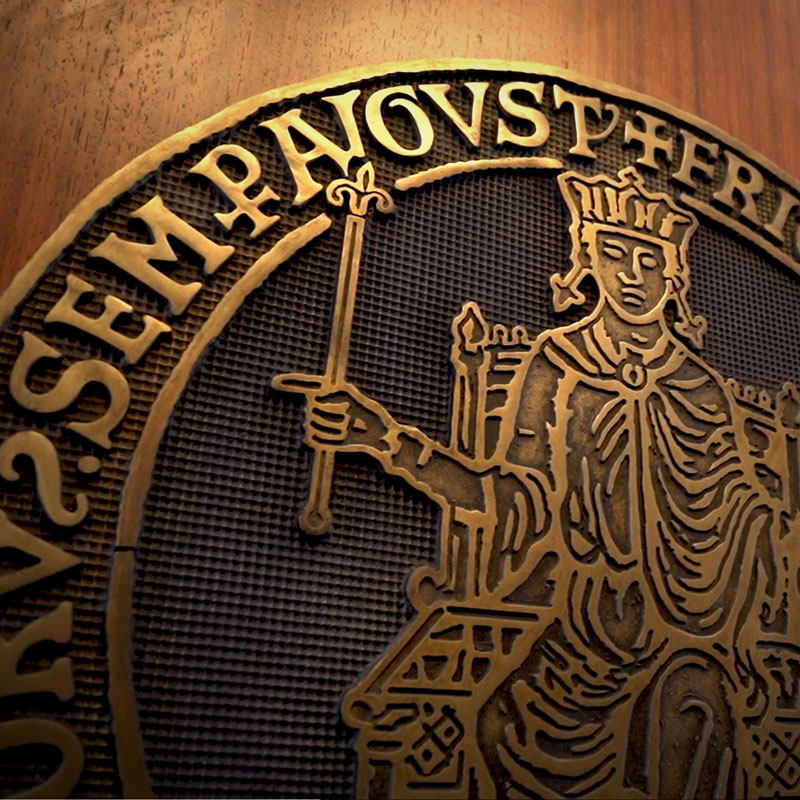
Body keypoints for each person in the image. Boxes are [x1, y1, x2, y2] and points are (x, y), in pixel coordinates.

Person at [275, 167, 800, 799]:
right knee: (505, 730)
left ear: (674, 279)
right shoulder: (558, 363)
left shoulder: (702, 390)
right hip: (587, 626)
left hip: (694, 634)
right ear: (587, 261)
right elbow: (509, 498)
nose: (632, 275)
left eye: (650, 261)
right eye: (615, 254)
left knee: (693, 712)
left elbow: (749, 520)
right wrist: (385, 440)